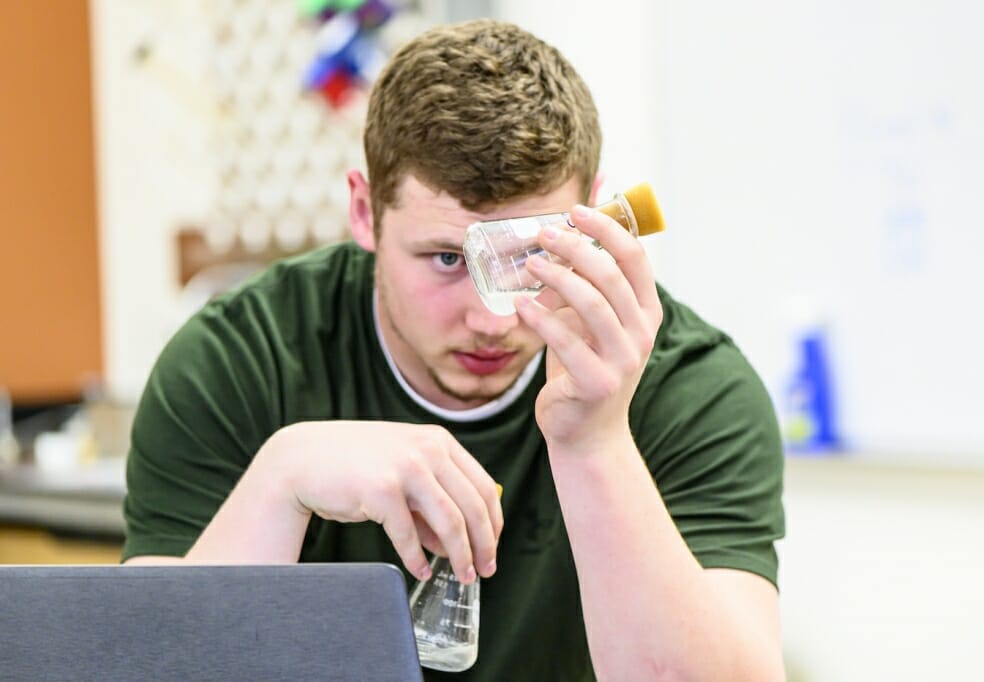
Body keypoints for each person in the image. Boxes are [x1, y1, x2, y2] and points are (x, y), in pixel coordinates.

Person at [122, 19, 786, 681]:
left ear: (590, 209)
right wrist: (282, 479)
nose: (491, 318)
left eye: (529, 256)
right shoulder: (236, 362)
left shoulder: (691, 384)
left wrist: (598, 444)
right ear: (364, 212)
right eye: (446, 258)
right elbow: (150, 670)